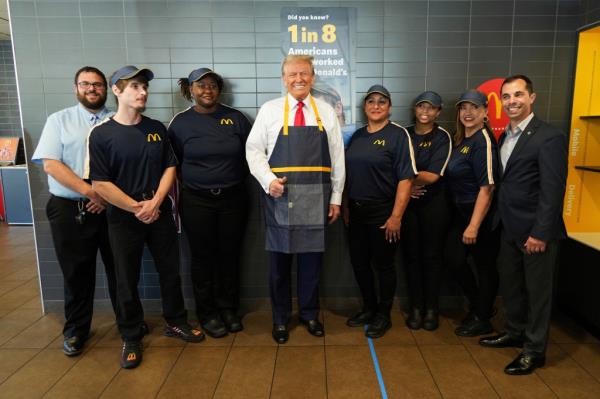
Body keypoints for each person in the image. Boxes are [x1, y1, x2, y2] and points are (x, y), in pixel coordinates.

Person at [88, 65, 204, 369]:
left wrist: (155, 203)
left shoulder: (155, 128)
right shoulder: (102, 135)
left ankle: (175, 321)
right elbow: (100, 183)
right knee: (126, 277)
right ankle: (130, 333)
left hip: (159, 212)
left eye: (144, 87)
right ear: (117, 91)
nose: (143, 92)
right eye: (135, 87)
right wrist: (136, 207)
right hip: (124, 218)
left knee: (170, 270)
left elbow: (170, 167)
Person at [246, 55, 345, 344]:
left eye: (303, 73)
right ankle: (280, 319)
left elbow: (338, 157)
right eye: (292, 74)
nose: (298, 79)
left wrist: (336, 197)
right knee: (278, 265)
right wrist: (268, 181)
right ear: (283, 78)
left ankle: (310, 315)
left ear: (312, 77)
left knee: (311, 263)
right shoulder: (270, 110)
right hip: (281, 196)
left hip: (317, 196)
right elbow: (253, 151)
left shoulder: (325, 111)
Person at [480, 75, 568, 375]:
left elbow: (553, 190)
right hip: (508, 227)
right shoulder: (507, 135)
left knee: (538, 293)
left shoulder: (549, 136)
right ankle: (515, 332)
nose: (512, 101)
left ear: (532, 97)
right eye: (506, 96)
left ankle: (534, 350)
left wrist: (541, 232)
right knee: (513, 286)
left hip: (535, 232)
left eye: (518, 95)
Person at [31, 66, 118, 357]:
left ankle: (128, 324)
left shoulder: (118, 121)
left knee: (119, 269)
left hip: (112, 210)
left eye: (97, 84)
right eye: (85, 84)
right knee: (77, 273)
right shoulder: (59, 120)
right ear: (76, 88)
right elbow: (51, 164)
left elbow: (127, 165)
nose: (92, 89)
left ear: (107, 89)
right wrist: (91, 192)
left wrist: (106, 197)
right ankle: (76, 330)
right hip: (70, 209)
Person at [168, 68, 252, 338]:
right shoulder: (180, 124)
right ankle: (208, 313)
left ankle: (228, 309)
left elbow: (252, 156)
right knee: (202, 258)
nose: (207, 90)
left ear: (219, 89)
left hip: (234, 198)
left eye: (213, 85)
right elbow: (174, 166)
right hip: (197, 201)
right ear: (190, 90)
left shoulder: (236, 119)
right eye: (201, 85)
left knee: (230, 255)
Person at [343, 85, 416, 338]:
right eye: (371, 101)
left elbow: (406, 179)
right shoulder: (358, 136)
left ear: (389, 107)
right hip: (356, 211)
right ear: (365, 107)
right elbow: (348, 175)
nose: (376, 106)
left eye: (382, 102)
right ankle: (369, 308)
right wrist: (345, 207)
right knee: (359, 263)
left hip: (383, 212)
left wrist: (396, 216)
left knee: (383, 265)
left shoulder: (398, 135)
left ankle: (383, 314)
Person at [444, 90, 500, 338]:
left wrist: (474, 225)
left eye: (474, 108)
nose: (468, 113)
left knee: (484, 266)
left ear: (485, 112)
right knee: (453, 259)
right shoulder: (462, 140)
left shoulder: (484, 141)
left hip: (481, 215)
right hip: (461, 212)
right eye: (463, 108)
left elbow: (487, 187)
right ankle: (482, 307)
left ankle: (482, 318)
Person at [401, 91, 452, 331]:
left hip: (434, 206)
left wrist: (406, 180)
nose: (425, 111)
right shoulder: (405, 134)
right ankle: (416, 308)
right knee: (411, 258)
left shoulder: (442, 137)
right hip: (407, 205)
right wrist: (406, 187)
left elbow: (432, 176)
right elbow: (392, 167)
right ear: (415, 109)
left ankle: (432, 309)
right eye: (421, 106)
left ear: (438, 112)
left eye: (431, 108)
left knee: (431, 258)